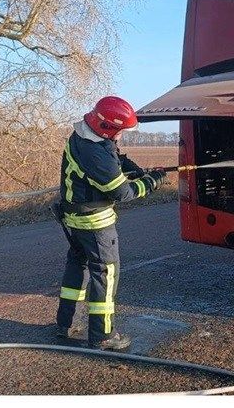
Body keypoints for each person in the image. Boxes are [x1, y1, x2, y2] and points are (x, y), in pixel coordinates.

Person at [53, 96, 167, 351]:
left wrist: (135, 169)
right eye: (121, 132)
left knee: (77, 266)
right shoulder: (95, 153)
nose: (122, 137)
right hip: (95, 223)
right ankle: (103, 336)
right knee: (105, 274)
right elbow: (122, 193)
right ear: (108, 128)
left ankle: (64, 323)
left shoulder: (85, 136)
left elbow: (113, 155)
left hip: (75, 220)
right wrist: (152, 182)